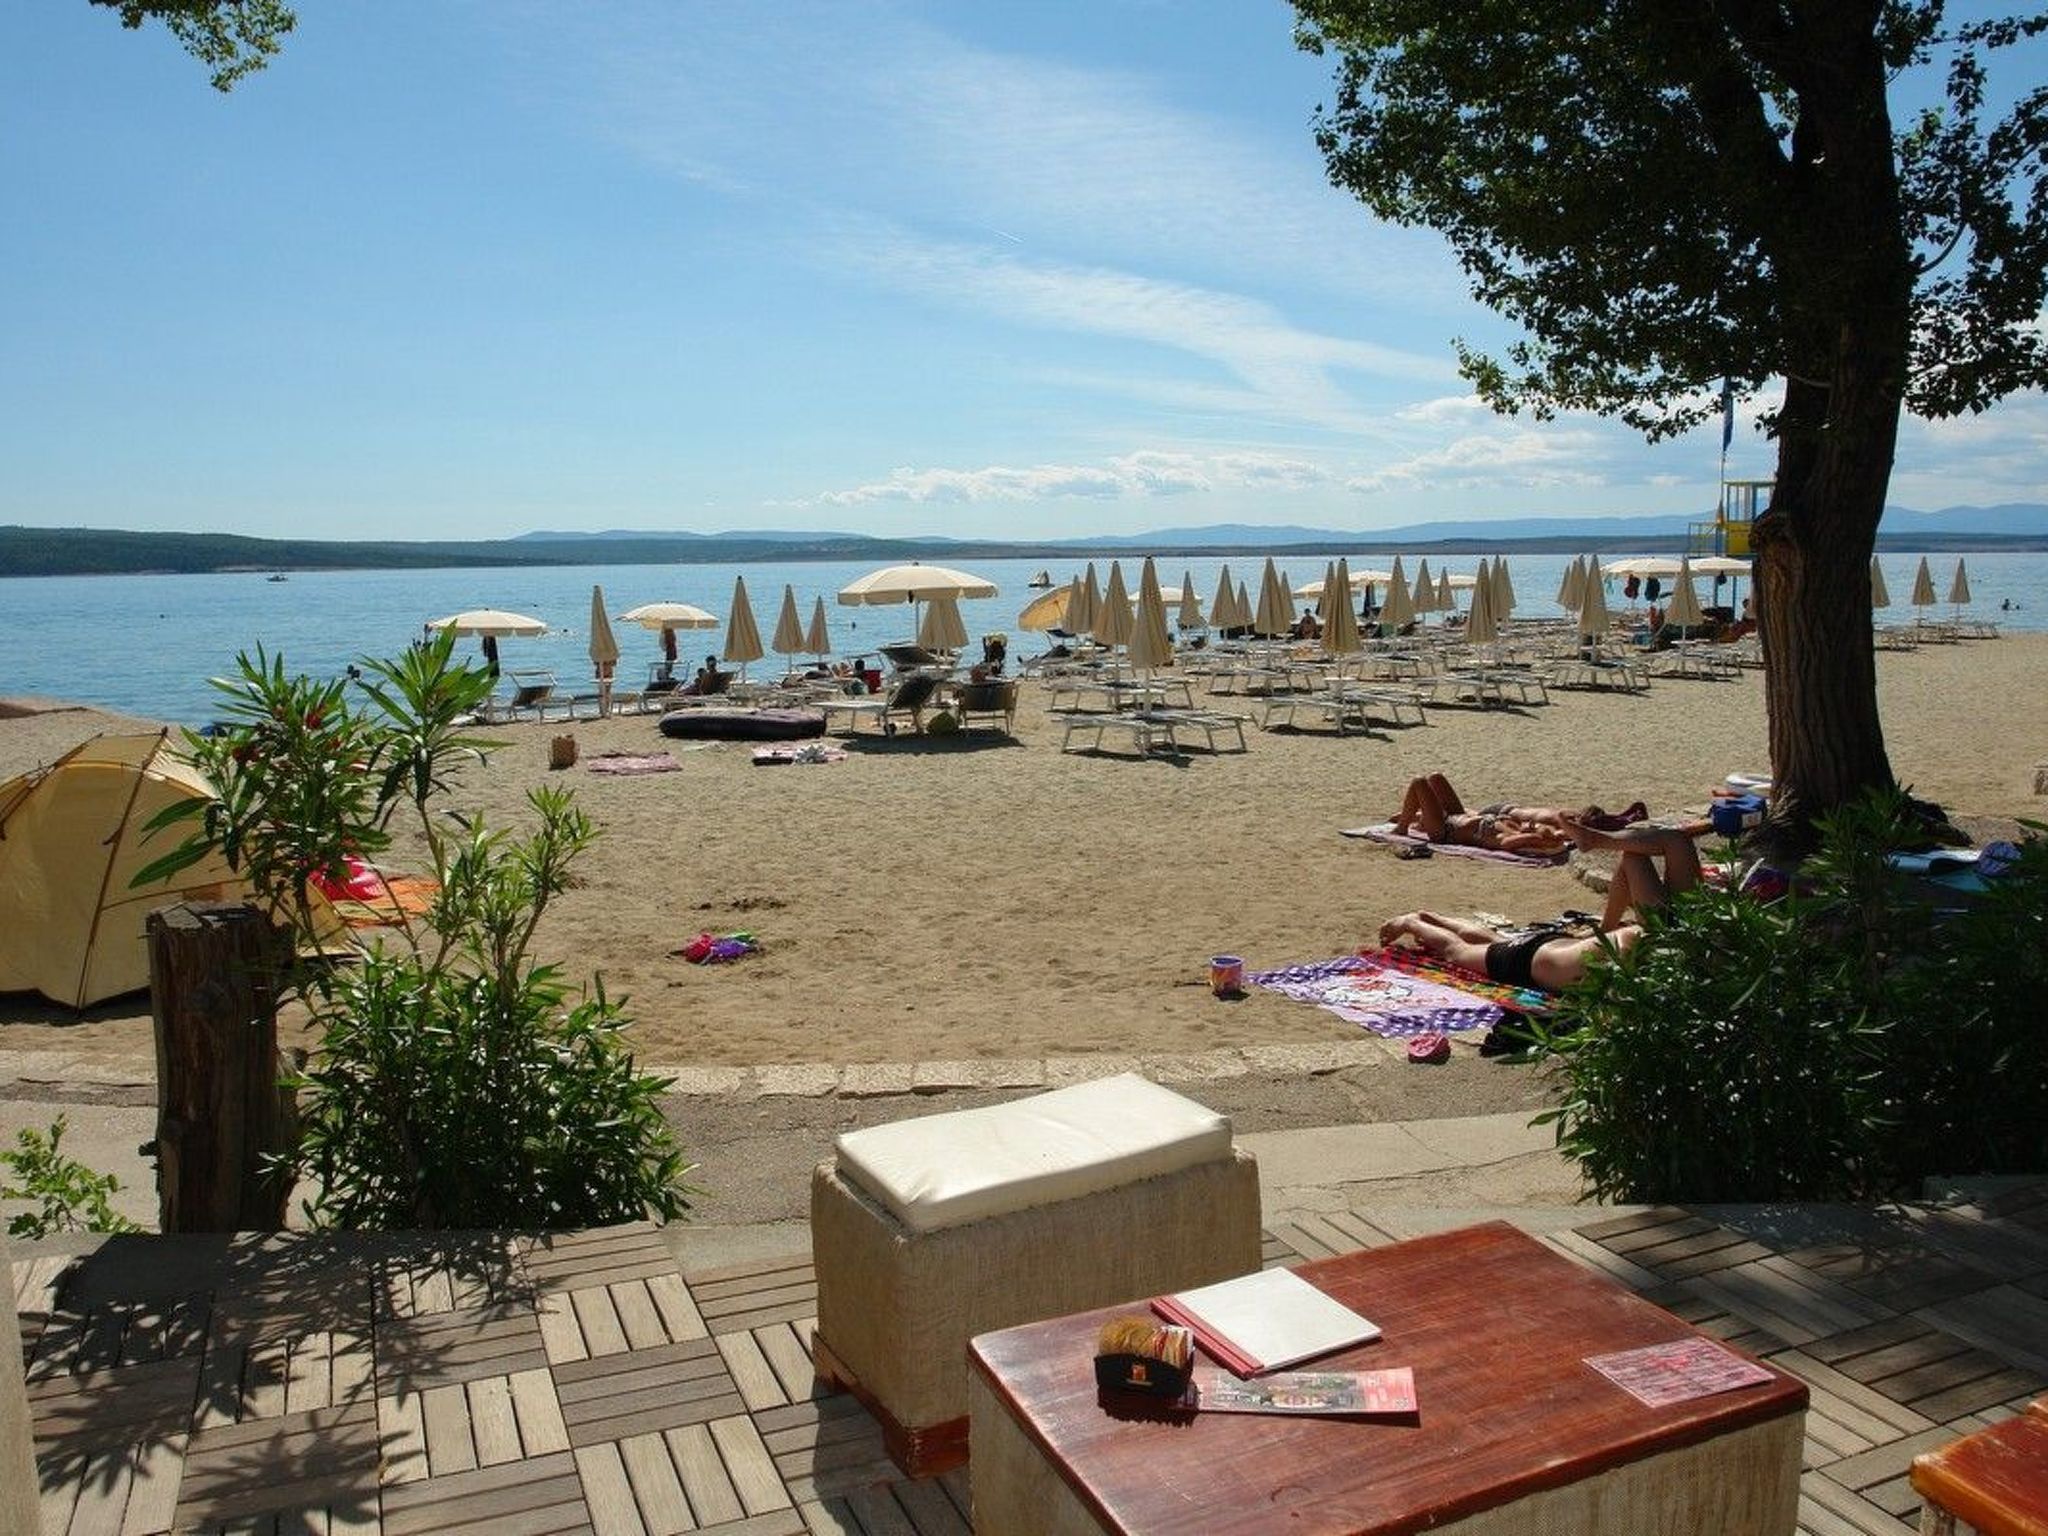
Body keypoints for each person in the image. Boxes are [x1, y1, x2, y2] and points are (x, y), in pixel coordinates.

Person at [1380, 821, 1707, 990]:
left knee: (1482, 945)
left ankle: (1424, 918)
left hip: (1545, 954)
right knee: (1468, 949)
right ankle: (1414, 920)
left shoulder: (1656, 940)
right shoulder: (1656, 944)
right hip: (1551, 953)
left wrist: (1608, 927)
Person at [1389, 773, 1649, 856]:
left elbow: (1518, 843)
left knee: (1419, 782)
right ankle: (1410, 819)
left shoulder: (1507, 839)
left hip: (1445, 829)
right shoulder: (1515, 825)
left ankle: (1402, 828)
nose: (1531, 825)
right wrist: (1541, 834)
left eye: (1532, 829)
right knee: (1435, 777)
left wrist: (1536, 838)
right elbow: (1556, 834)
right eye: (1533, 827)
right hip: (1457, 817)